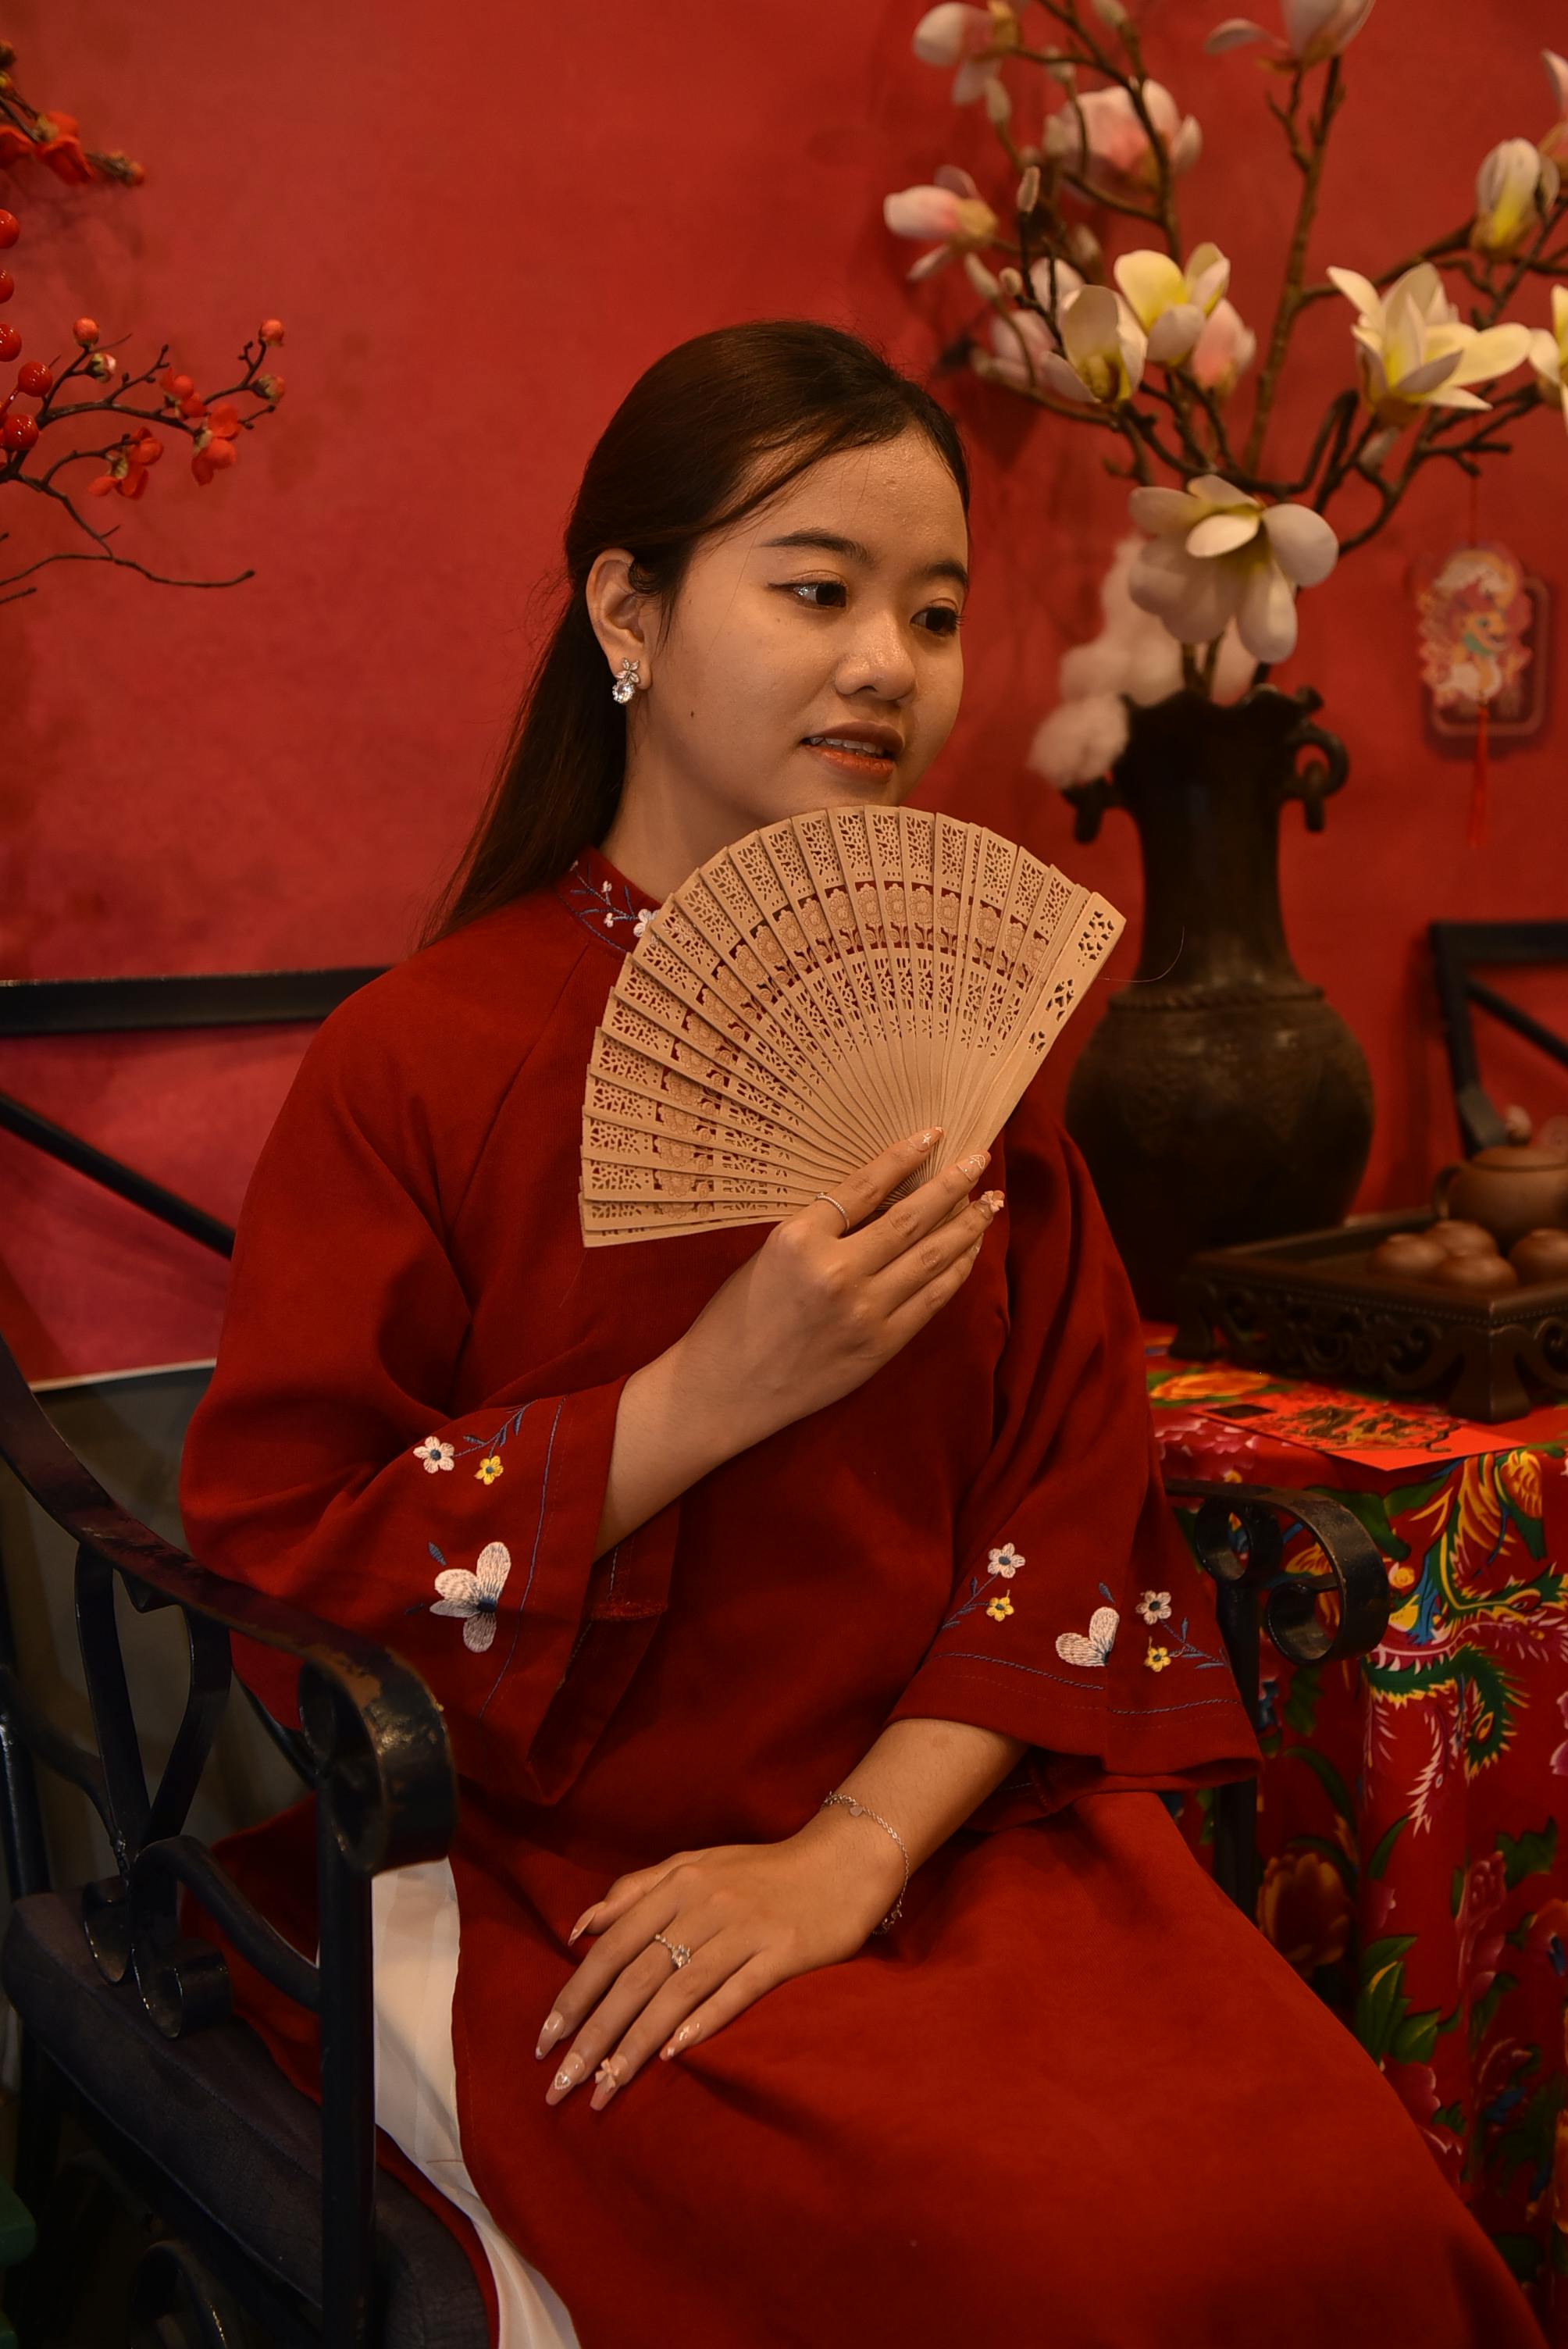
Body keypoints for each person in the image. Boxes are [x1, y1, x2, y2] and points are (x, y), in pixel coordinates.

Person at [180, 319, 1541, 2348]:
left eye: (933, 609)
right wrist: (697, 1399)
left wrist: (851, 1852)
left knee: (1353, 2224)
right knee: (1054, 2279)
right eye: (816, 590)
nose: (890, 664)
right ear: (628, 609)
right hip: (592, 1875)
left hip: (962, 1827)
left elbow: (1069, 1494)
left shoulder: (965, 1050)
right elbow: (286, 1552)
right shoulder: (422, 1061)